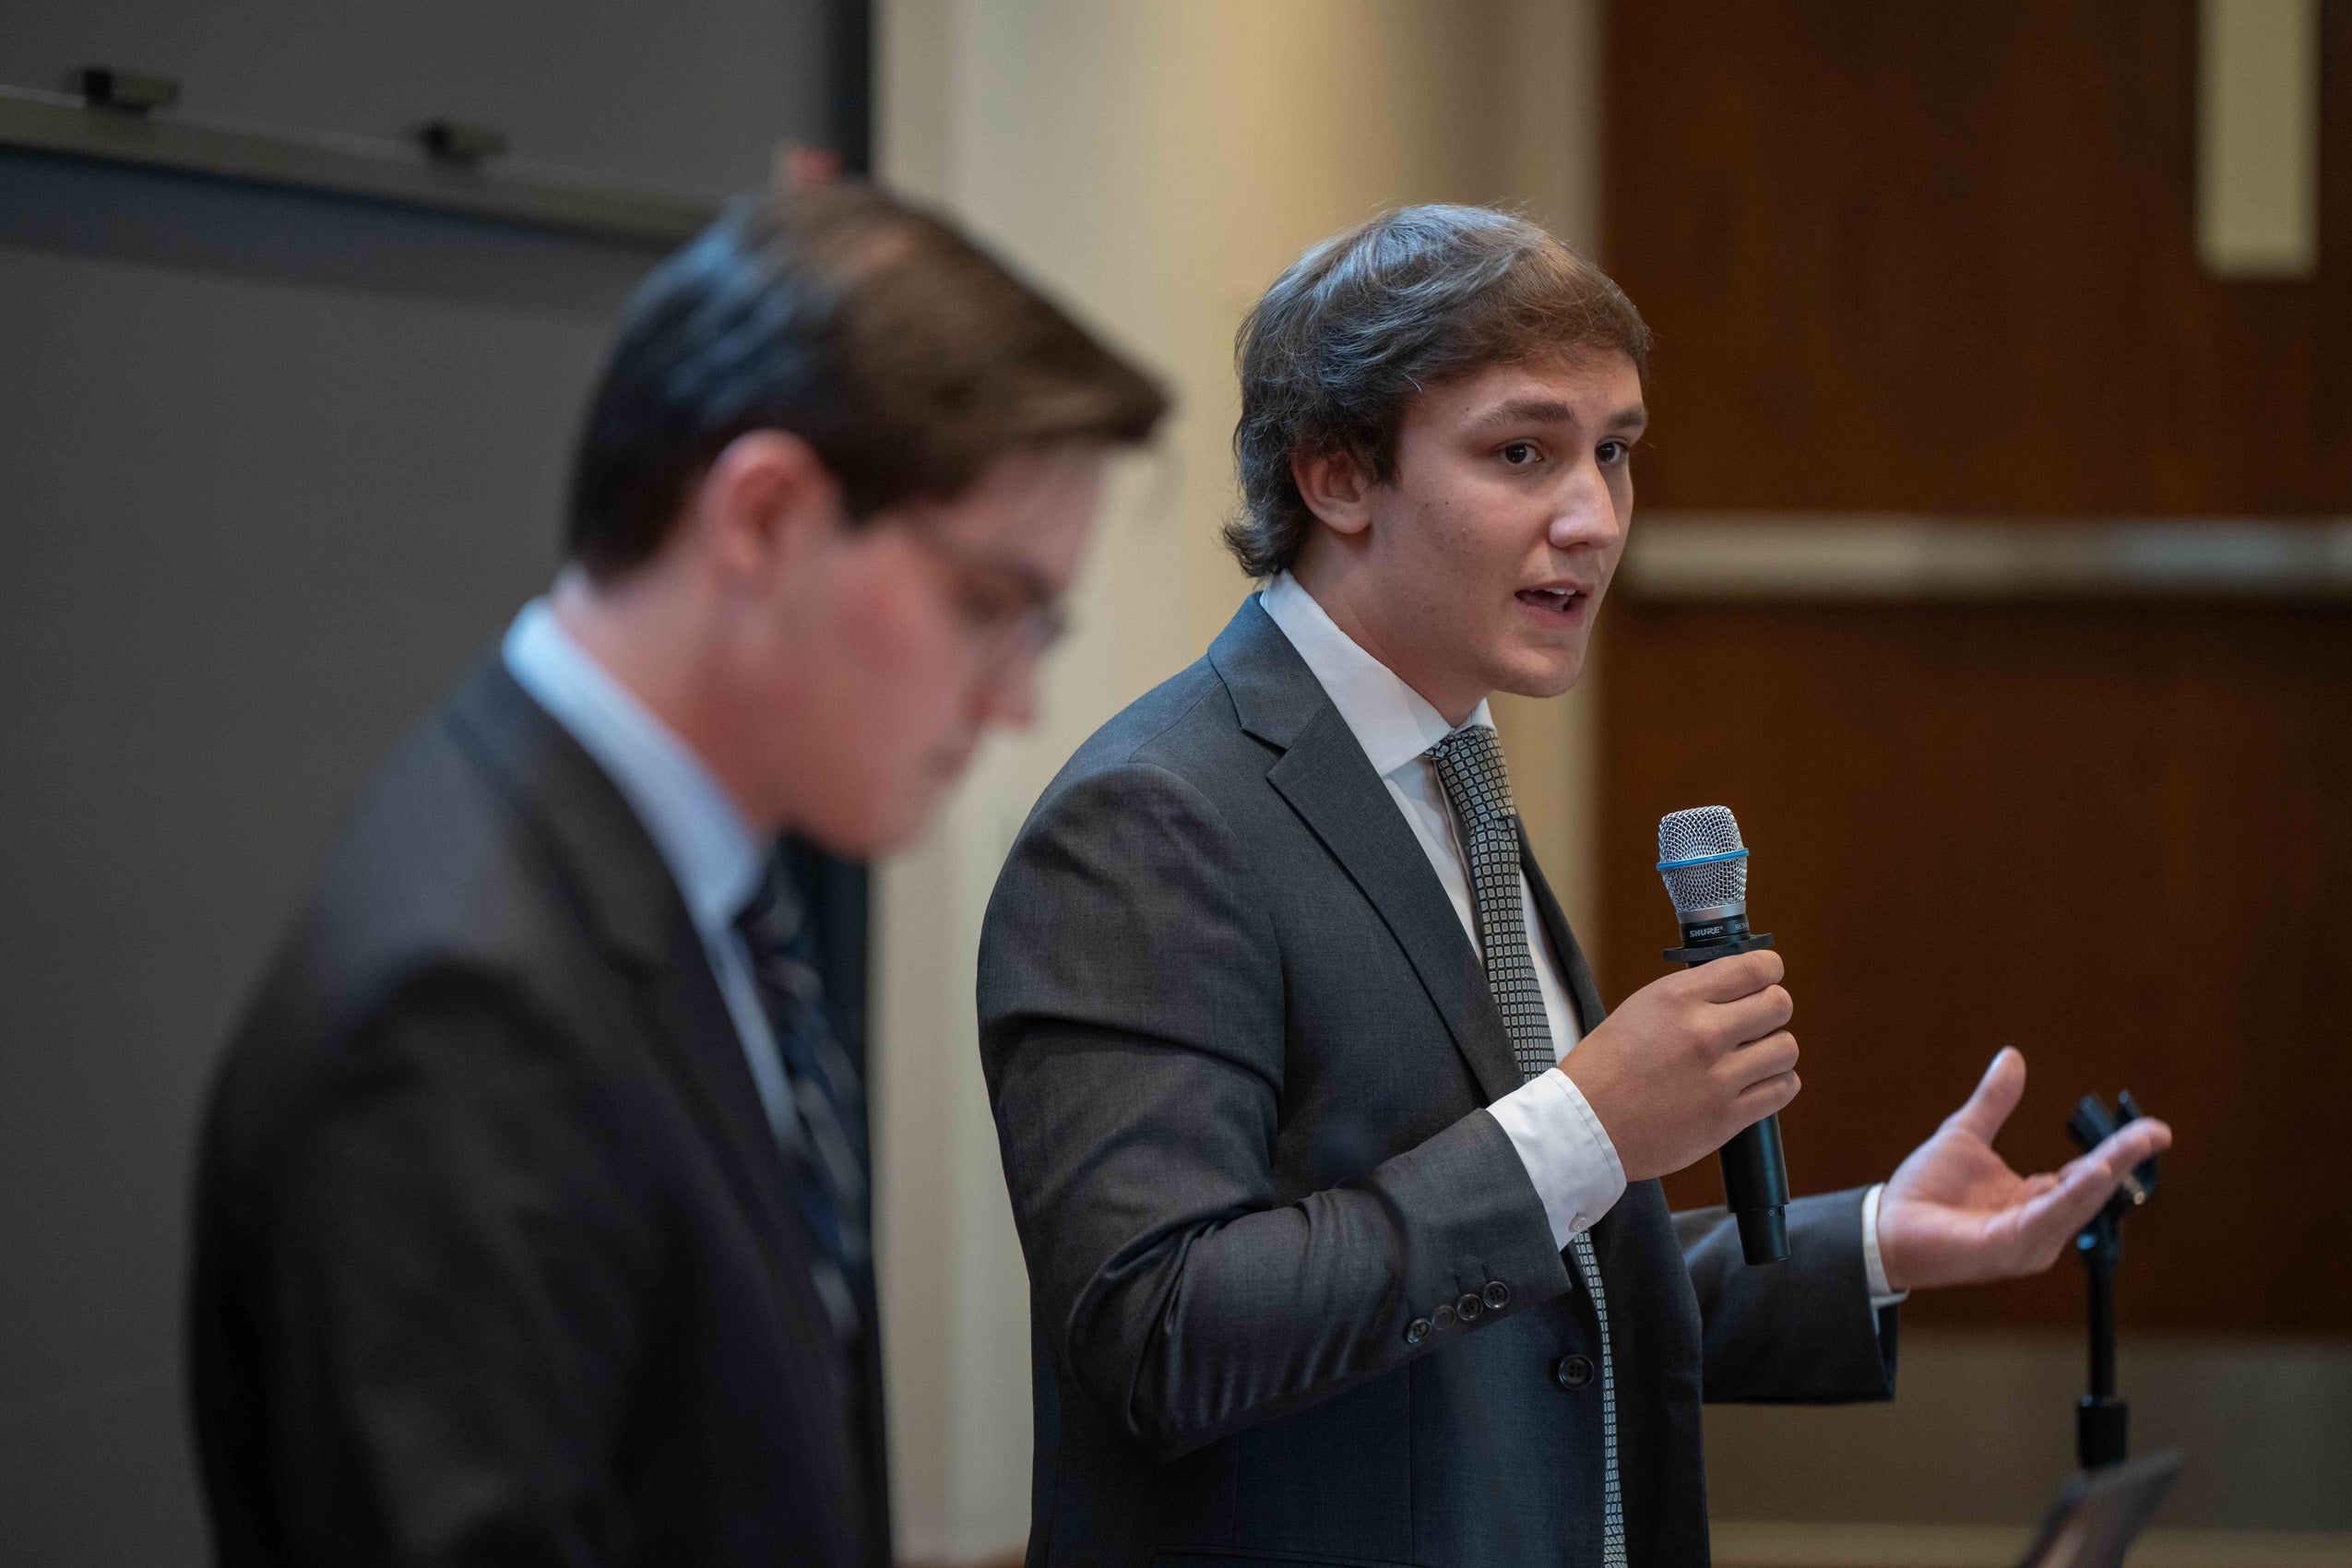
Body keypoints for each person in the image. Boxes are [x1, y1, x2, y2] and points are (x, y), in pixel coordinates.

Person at [975, 205, 2170, 1568]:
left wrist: (1875, 1247)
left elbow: (1514, 1287)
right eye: (1521, 452)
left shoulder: (1447, 771)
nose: (1594, 518)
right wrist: (1587, 1126)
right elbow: (1164, 1335)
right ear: (1334, 474)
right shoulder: (1152, 819)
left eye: (1613, 452)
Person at [186, 181, 1166, 1567]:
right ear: (760, 518)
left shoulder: (687, 887)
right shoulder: (462, 1013)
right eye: (987, 606)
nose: (1015, 703)